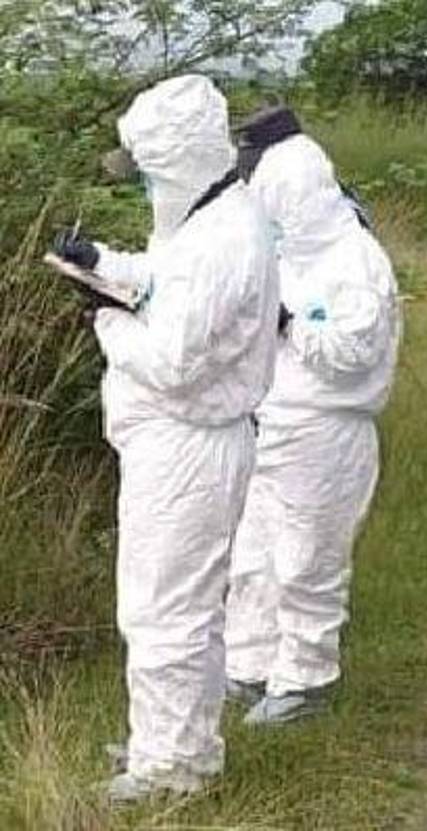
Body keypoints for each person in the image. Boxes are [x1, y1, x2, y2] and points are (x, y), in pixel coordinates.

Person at [52, 74, 279, 802]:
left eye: (148, 170)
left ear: (176, 161)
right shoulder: (211, 217)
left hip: (188, 444)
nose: (145, 183)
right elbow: (167, 282)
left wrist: (106, 319)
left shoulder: (224, 238)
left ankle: (167, 771)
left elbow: (175, 362)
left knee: (163, 610)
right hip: (185, 444)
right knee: (183, 606)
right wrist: (104, 265)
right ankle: (175, 744)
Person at [222, 106, 401, 725]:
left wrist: (289, 323)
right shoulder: (287, 254)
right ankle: (249, 666)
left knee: (307, 561)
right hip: (270, 422)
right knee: (254, 558)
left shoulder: (356, 260)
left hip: (327, 430)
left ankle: (305, 677)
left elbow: (353, 353)